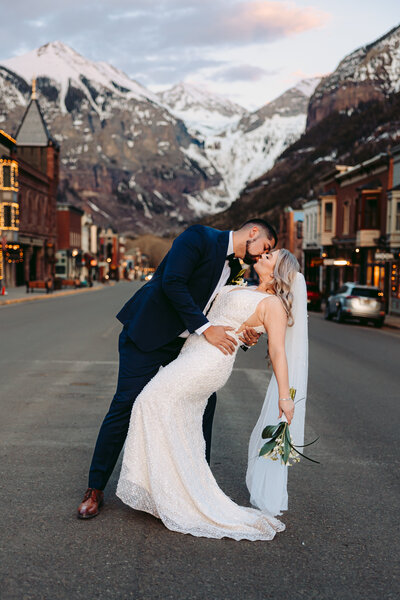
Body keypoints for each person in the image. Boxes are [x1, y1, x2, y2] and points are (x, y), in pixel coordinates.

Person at [78, 219, 277, 519]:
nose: (263, 254)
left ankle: (198, 487)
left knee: (204, 401)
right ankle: (95, 489)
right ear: (253, 233)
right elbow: (172, 282)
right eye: (266, 247)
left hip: (184, 345)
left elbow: (224, 309)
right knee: (126, 403)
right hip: (147, 333)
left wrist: (245, 333)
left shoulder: (237, 268)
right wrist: (206, 328)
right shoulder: (199, 237)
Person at [116, 248, 302, 541]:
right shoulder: (245, 285)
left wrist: (285, 397)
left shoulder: (273, 305)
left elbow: (277, 351)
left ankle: (172, 491)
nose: (264, 256)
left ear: (280, 269)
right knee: (179, 421)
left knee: (149, 401)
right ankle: (165, 489)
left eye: (271, 256)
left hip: (210, 361)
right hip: (192, 351)